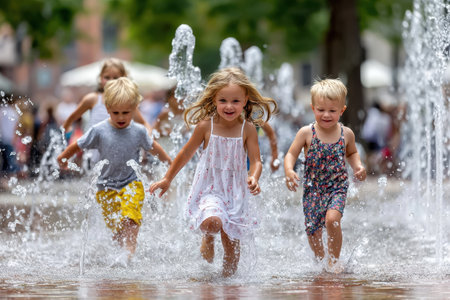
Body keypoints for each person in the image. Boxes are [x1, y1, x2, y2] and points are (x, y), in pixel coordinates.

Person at [150, 67, 277, 277]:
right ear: (214, 100)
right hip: (210, 187)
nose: (229, 106)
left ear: (245, 100)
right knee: (213, 222)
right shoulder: (205, 126)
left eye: (235, 101)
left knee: (232, 248)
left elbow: (256, 160)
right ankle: (207, 239)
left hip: (235, 191)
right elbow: (185, 154)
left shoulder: (248, 128)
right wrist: (167, 178)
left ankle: (227, 284)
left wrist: (253, 176)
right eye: (223, 101)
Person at [57, 77, 171, 258]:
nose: (121, 117)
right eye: (115, 112)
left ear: (134, 109)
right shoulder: (99, 130)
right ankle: (120, 254)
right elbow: (79, 144)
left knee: (131, 217)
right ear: (107, 108)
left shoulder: (139, 131)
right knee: (116, 227)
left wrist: (169, 163)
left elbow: (153, 147)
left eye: (126, 112)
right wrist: (64, 157)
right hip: (106, 187)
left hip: (131, 182)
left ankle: (129, 252)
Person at [284, 78, 366, 273]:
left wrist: (358, 166)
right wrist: (289, 170)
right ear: (313, 108)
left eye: (332, 110)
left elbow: (352, 153)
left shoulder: (346, 134)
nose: (326, 115)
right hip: (313, 189)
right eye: (321, 110)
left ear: (342, 110)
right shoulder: (306, 133)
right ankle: (321, 261)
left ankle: (334, 262)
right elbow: (291, 154)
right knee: (313, 231)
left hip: (337, 187)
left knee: (332, 220)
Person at [62, 58, 153, 168]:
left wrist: (148, 134)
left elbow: (143, 123)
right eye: (107, 77)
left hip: (120, 149)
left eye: (115, 77)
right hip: (97, 151)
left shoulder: (126, 103)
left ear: (124, 78)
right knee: (98, 177)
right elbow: (74, 116)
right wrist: (66, 127)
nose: (111, 81)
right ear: (100, 78)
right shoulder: (93, 99)